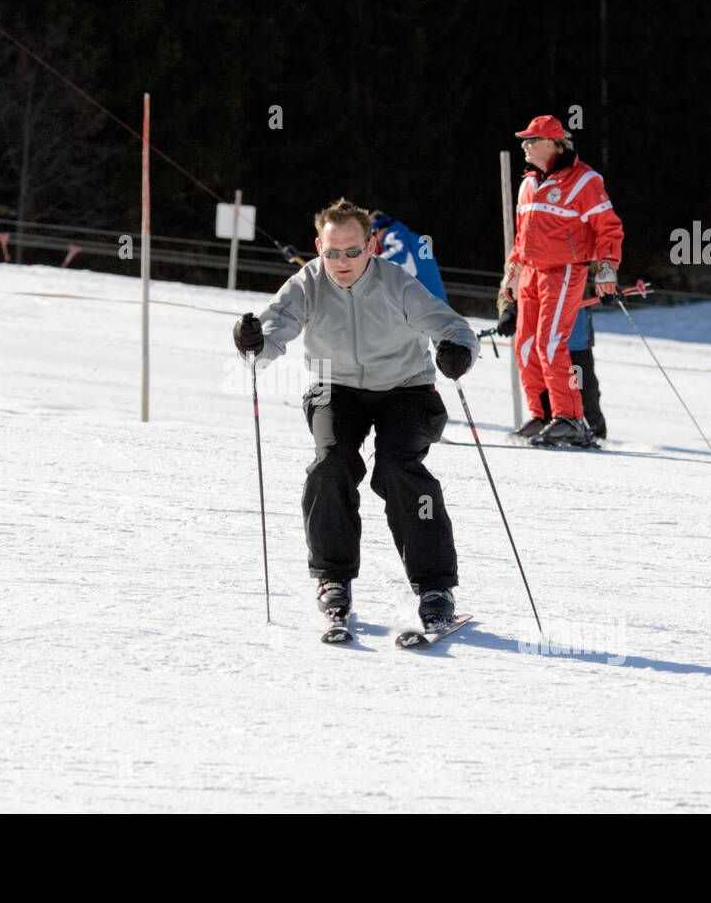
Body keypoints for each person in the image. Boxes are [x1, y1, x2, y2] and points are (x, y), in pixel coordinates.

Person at [232, 198, 479, 632]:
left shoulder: (396, 283)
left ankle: (436, 588)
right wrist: (251, 341)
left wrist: (457, 352)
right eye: (331, 252)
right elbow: (271, 335)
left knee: (398, 469)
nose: (341, 262)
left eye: (352, 251)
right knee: (331, 464)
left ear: (371, 246)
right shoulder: (307, 283)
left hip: (405, 387)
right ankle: (333, 580)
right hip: (334, 385)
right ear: (318, 246)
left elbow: (452, 326)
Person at [503, 115, 623, 446]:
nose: (524, 146)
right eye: (523, 140)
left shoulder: (584, 181)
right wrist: (512, 274)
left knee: (550, 343)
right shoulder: (528, 183)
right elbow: (521, 237)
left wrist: (606, 270)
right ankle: (542, 415)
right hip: (531, 271)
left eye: (531, 140)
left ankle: (570, 417)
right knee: (524, 344)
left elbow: (608, 228)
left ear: (553, 144)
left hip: (565, 269)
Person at [496, 274, 607, 439]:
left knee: (582, 389)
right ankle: (549, 425)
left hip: (576, 340)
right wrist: (507, 309)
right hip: (540, 335)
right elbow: (512, 276)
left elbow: (598, 263)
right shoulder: (525, 251)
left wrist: (606, 281)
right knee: (546, 387)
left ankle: (594, 435)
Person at [369, 211, 448, 302]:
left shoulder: (394, 236)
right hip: (437, 304)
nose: (376, 240)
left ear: (379, 229)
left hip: (424, 307)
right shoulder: (412, 238)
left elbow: (401, 265)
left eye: (373, 234)